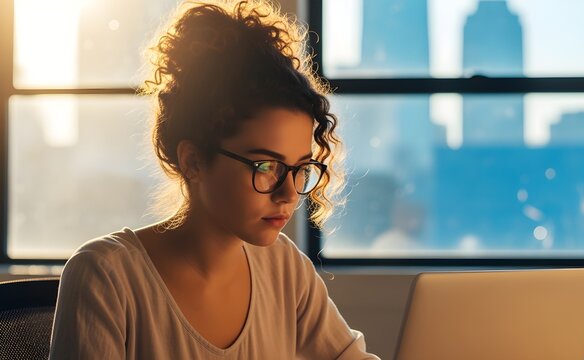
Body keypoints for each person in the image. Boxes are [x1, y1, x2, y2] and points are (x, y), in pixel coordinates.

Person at [48, 1, 380, 359]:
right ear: (193, 161)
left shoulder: (285, 268)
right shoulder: (107, 276)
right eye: (266, 167)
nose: (289, 194)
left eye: (300, 168)